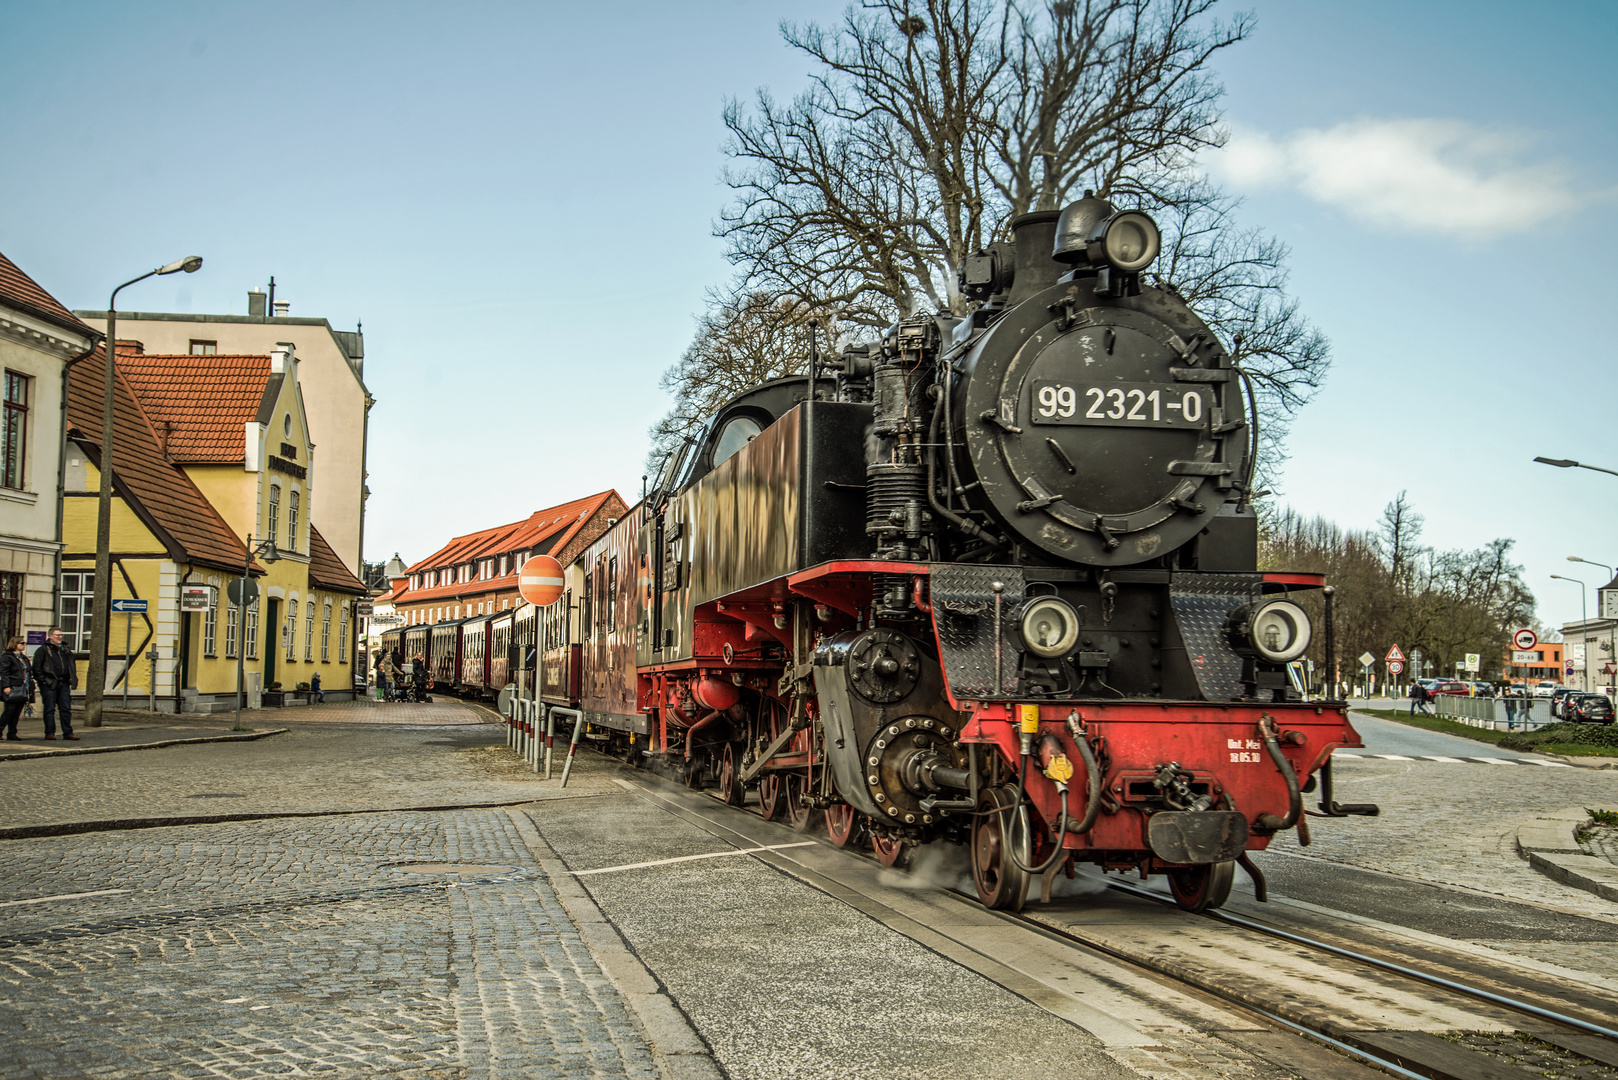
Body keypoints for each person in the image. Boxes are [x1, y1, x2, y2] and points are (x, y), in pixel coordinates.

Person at [31, 626, 77, 741]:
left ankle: (68, 732)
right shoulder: (43, 650)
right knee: (49, 709)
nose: (60, 637)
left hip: (64, 683)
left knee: (65, 709)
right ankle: (50, 732)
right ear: (50, 636)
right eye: (57, 635)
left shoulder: (65, 649)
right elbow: (37, 668)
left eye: (61, 635)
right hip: (50, 683)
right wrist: (43, 680)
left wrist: (72, 678)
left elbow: (71, 665)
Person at [2, 636, 34, 741]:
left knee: (16, 713)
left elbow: (28, 672)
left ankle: (12, 733)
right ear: (15, 644)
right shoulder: (7, 657)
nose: (24, 645)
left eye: (24, 643)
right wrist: (6, 686)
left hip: (23, 687)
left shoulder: (23, 658)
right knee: (9, 711)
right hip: (13, 686)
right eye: (22, 643)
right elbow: (4, 672)